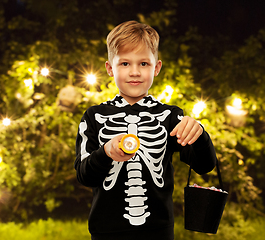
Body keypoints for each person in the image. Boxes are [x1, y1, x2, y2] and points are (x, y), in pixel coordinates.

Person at [74, 20, 217, 240]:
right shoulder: (94, 116)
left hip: (158, 232)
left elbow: (204, 165)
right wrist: (105, 152)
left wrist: (199, 134)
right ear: (110, 69)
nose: (134, 72)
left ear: (156, 68)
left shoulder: (170, 117)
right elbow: (84, 175)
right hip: (106, 231)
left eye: (143, 64)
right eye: (124, 64)